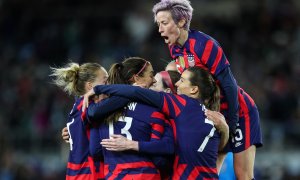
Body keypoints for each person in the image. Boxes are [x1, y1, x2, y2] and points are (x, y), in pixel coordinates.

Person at [152, 0, 263, 179]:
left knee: (243, 175)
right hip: (213, 112)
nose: (160, 29)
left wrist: (232, 123)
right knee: (210, 173)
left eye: (164, 23)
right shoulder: (173, 47)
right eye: (158, 24)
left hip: (239, 112)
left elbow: (229, 84)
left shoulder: (204, 45)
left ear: (181, 22)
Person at [84, 66, 229, 179]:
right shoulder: (212, 118)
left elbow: (136, 93)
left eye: (182, 80)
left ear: (194, 89)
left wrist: (99, 89)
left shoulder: (182, 104)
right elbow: (221, 150)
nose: (178, 83)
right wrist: (225, 130)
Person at [88, 57, 175, 179]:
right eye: (151, 75)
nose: (154, 80)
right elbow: (160, 158)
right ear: (136, 78)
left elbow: (95, 150)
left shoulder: (101, 112)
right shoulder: (154, 111)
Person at [50, 62, 108, 180]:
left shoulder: (78, 104)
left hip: (76, 173)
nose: (109, 85)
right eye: (105, 81)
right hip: (88, 173)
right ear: (90, 86)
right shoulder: (89, 107)